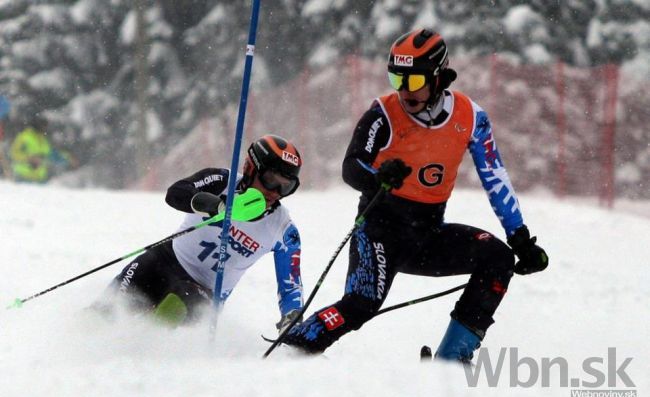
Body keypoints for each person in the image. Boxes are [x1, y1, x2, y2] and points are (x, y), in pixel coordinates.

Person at [282, 29, 549, 362]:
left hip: (427, 235)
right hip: (379, 231)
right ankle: (296, 347)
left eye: (415, 80)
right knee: (362, 304)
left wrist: (519, 237)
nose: (405, 91)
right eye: (397, 79)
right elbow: (351, 167)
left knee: (498, 259)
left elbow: (495, 178)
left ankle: (452, 360)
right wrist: (377, 178)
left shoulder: (471, 117)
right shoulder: (383, 114)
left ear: (439, 78)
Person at [96, 135, 305, 329]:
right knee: (104, 312)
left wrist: (292, 318)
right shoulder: (223, 181)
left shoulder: (284, 230)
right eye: (270, 180)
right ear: (251, 169)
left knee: (176, 304)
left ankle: (137, 349)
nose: (274, 192)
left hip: (205, 293)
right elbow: (176, 193)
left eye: (286, 187)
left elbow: (291, 287)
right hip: (165, 260)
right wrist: (218, 206)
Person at [9, 116, 53, 183]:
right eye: (43, 125)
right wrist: (29, 158)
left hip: (40, 179)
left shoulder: (44, 139)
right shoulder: (24, 136)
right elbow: (13, 153)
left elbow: (49, 156)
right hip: (23, 177)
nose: (45, 128)